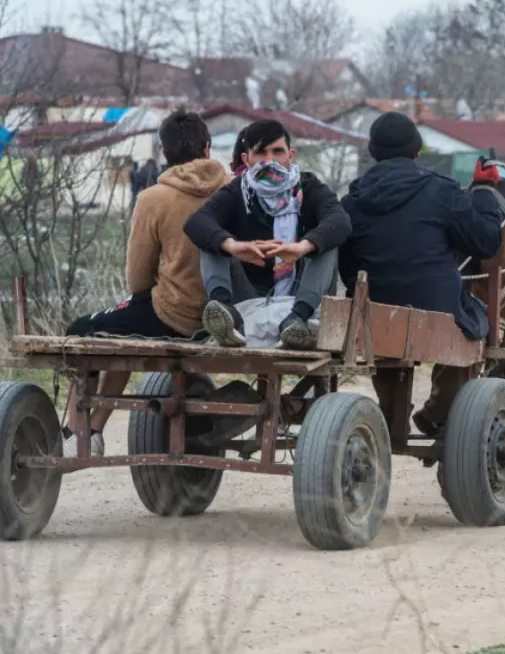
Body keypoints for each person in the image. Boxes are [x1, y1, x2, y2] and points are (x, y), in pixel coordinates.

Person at [61, 109, 230, 457]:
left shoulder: (154, 198)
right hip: (228, 315)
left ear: (164, 152)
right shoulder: (233, 189)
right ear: (207, 148)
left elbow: (137, 279)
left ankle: (79, 432)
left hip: (174, 316)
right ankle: (91, 429)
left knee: (84, 330)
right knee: (124, 327)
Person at [337, 111, 503, 434]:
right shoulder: (443, 192)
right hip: (438, 310)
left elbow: (347, 268)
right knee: (472, 325)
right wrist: (483, 190)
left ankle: (391, 417)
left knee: (384, 333)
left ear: (373, 152)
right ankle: (438, 411)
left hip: (376, 314)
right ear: (417, 152)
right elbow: (486, 242)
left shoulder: (351, 202)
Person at [183, 119, 351, 350]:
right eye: (261, 153)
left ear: (290, 155)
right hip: (251, 296)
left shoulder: (308, 187)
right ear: (246, 159)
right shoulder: (237, 191)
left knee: (326, 242)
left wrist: (302, 247)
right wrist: (233, 246)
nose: (270, 161)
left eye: (277, 152)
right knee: (211, 240)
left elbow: (340, 220)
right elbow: (196, 222)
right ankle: (223, 313)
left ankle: (296, 321)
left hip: (303, 295)